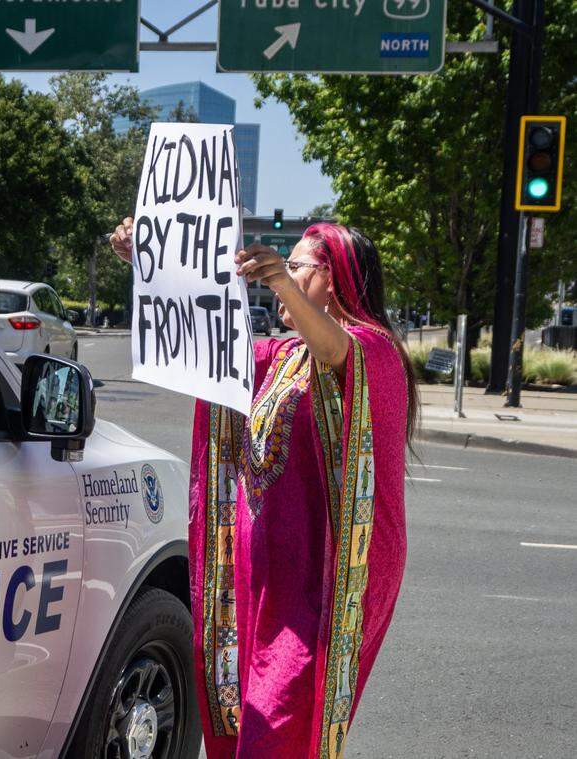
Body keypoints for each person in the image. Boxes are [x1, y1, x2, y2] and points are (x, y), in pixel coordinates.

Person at [110, 219, 415, 758]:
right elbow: (205, 342)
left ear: (334, 278)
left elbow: (337, 349)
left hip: (327, 575)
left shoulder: (376, 354)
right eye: (288, 266)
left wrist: (281, 284)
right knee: (246, 704)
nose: (289, 275)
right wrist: (147, 262)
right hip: (267, 569)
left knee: (280, 722)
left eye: (298, 265)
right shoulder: (283, 356)